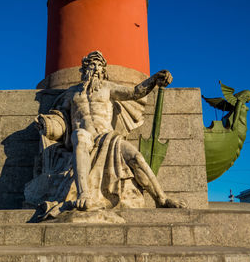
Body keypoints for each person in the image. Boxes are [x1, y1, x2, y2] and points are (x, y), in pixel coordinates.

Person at [33, 51, 186, 213]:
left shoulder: (108, 87)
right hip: (84, 135)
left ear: (103, 71)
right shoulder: (72, 92)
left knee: (136, 157)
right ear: (84, 69)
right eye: (92, 65)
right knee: (79, 136)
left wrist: (154, 79)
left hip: (108, 137)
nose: (96, 68)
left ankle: (161, 199)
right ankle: (84, 194)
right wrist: (48, 124)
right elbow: (61, 118)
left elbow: (135, 92)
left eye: (99, 65)